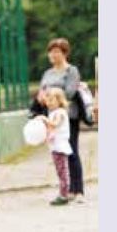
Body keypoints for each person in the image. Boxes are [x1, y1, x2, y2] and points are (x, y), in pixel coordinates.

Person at [36, 37, 85, 200]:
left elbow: (70, 92)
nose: (53, 55)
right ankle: (67, 188)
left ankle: (78, 190)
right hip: (52, 118)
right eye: (51, 52)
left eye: (56, 51)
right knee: (59, 153)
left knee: (72, 151)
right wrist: (42, 97)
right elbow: (41, 90)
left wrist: (52, 94)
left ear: (64, 53)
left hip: (68, 116)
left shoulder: (72, 71)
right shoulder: (47, 73)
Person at [42, 86, 73, 206]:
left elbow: (54, 124)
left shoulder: (60, 113)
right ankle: (63, 193)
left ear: (59, 100)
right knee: (60, 171)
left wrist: (44, 119)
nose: (48, 103)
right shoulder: (53, 112)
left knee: (63, 171)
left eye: (51, 100)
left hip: (60, 147)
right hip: (55, 146)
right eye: (47, 100)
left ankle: (64, 195)